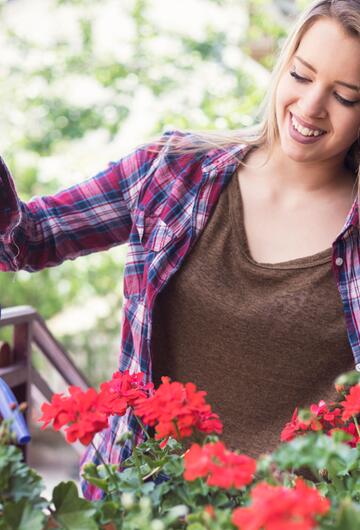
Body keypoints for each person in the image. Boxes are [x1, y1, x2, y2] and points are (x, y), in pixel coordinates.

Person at [1, 0, 360, 500]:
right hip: (139, 501)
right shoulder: (172, 170)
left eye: (345, 97)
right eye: (301, 75)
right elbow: (26, 240)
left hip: (289, 513)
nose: (311, 106)